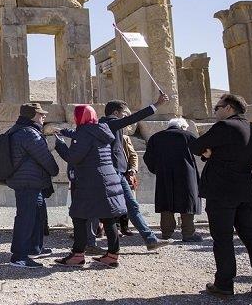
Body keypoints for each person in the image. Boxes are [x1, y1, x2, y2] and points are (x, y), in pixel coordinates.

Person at [189, 94, 252, 296]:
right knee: (250, 235)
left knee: (222, 238)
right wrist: (213, 154)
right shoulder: (251, 129)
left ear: (229, 108)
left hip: (222, 191)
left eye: (217, 108)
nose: (215, 112)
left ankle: (224, 283)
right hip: (244, 190)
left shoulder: (225, 127)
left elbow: (196, 146)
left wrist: (209, 153)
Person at [55, 105, 127, 267]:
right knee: (108, 218)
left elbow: (73, 157)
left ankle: (78, 255)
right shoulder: (100, 129)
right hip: (108, 179)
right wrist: (65, 132)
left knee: (78, 216)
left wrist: (59, 144)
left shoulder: (85, 134)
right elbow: (83, 135)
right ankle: (112, 255)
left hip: (91, 182)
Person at [99, 93, 171, 250]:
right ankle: (89, 244)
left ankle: (150, 240)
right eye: (124, 113)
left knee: (130, 207)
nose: (127, 117)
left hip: (118, 174)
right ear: (116, 113)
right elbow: (133, 119)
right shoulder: (110, 123)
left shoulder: (110, 126)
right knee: (124, 207)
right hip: (114, 175)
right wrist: (156, 105)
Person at [7, 103, 59, 268]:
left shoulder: (18, 130)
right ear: (32, 116)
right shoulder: (29, 133)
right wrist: (55, 170)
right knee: (26, 218)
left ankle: (34, 248)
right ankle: (19, 256)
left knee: (37, 215)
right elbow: (44, 157)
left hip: (29, 181)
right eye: (40, 114)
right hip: (28, 182)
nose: (44, 116)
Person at [144, 117, 202, 242]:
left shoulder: (156, 137)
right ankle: (188, 233)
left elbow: (148, 157)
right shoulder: (187, 135)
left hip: (164, 174)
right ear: (182, 127)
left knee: (166, 203)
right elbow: (201, 150)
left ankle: (166, 234)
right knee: (187, 202)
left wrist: (157, 169)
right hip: (186, 174)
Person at [118, 134, 139, 236]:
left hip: (124, 173)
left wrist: (133, 169)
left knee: (127, 201)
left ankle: (124, 226)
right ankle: (115, 227)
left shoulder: (124, 138)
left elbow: (133, 155)